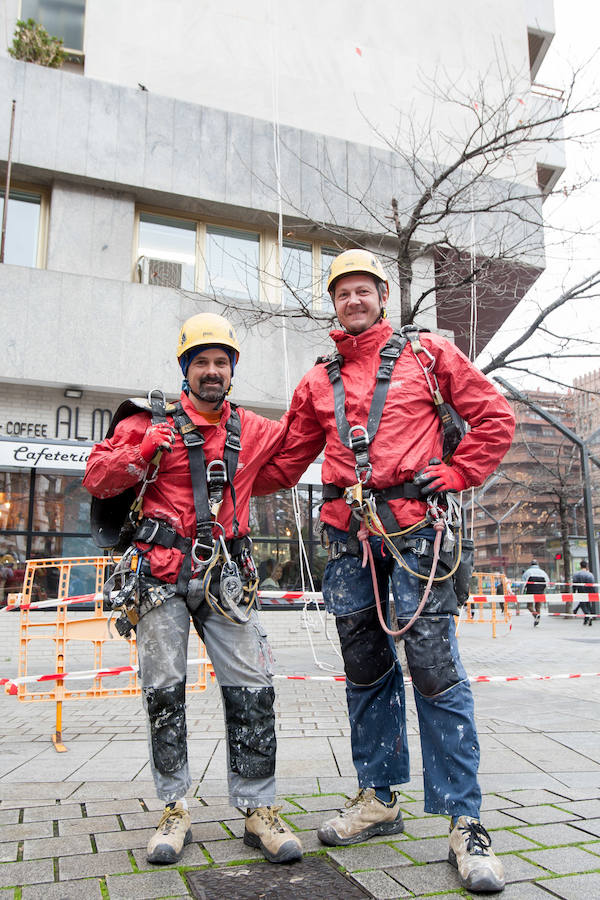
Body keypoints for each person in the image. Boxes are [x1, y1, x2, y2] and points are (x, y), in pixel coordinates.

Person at [253, 248, 515, 894]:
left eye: (363, 290)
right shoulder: (319, 381)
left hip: (416, 538)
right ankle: (379, 798)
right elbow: (284, 460)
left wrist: (455, 473)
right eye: (342, 293)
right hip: (348, 544)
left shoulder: (429, 357)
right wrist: (208, 468)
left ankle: (465, 819)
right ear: (333, 303)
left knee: (433, 669)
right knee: (367, 673)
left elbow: (495, 418)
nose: (353, 300)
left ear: (384, 293)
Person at [83, 313, 302, 867]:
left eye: (220, 363)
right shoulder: (148, 423)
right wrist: (141, 453)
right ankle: (175, 806)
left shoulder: (252, 429)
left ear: (232, 372)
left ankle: (258, 809)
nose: (211, 371)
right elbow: (96, 475)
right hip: (159, 574)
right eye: (201, 361)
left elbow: (300, 444)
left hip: (226, 576)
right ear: (185, 368)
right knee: (164, 691)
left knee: (254, 687)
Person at [521, 559, 549, 626]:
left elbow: (523, 583)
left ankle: (535, 615)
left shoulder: (527, 572)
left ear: (531, 564)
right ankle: (537, 618)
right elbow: (548, 582)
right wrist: (544, 590)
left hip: (530, 591)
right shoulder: (543, 572)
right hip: (540, 592)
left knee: (529, 606)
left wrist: (522, 592)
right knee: (538, 607)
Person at [572, 560, 595, 626]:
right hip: (588, 591)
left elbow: (574, 584)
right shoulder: (590, 574)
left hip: (581, 591)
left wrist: (574, 592)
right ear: (586, 566)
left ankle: (588, 615)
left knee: (583, 605)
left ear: (580, 566)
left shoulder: (577, 574)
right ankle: (587, 618)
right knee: (588, 604)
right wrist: (593, 593)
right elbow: (592, 584)